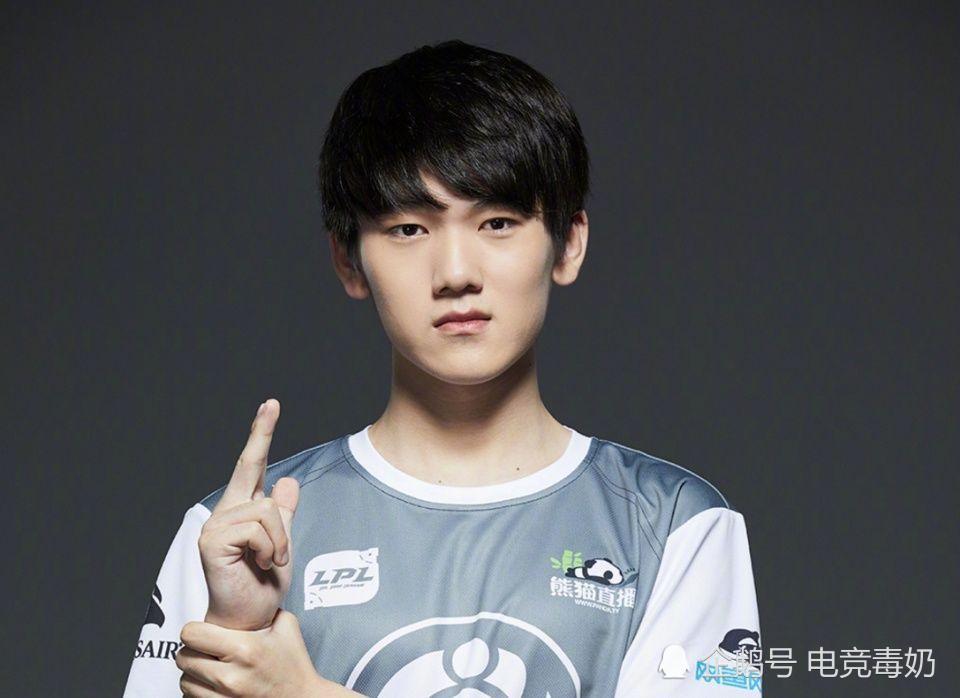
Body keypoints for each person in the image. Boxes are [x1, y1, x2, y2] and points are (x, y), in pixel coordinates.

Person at [123, 39, 762, 697]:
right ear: (348, 260)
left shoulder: (674, 526)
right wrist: (235, 634)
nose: (456, 273)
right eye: (409, 229)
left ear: (568, 243)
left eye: (499, 222)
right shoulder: (230, 537)